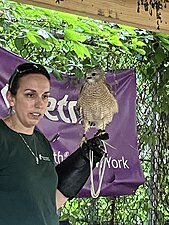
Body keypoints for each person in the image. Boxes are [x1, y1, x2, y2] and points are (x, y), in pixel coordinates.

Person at [0, 62, 107, 225]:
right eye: (30, 95)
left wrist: (82, 163)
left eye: (45, 96)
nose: (39, 104)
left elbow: (48, 203)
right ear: (11, 98)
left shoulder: (41, 142)